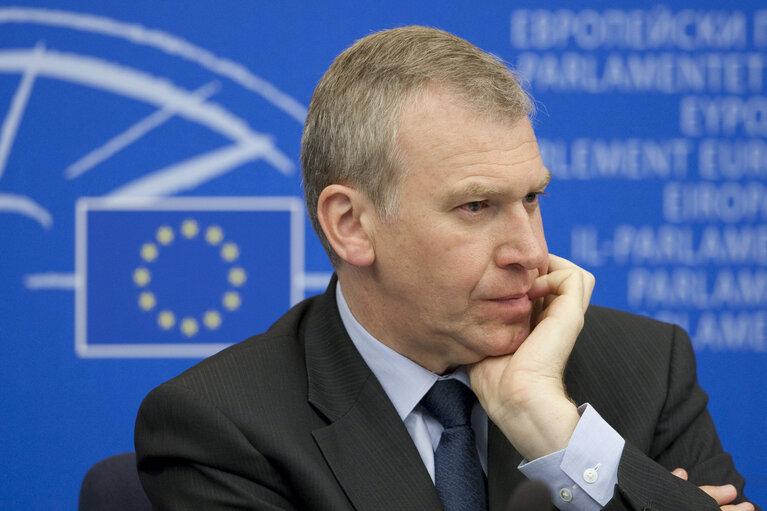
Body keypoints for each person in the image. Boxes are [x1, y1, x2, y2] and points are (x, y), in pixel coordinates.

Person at [135, 26, 759, 511]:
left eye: (532, 199)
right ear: (351, 225)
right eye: (476, 206)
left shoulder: (646, 365)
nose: (530, 251)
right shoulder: (223, 426)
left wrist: (556, 430)